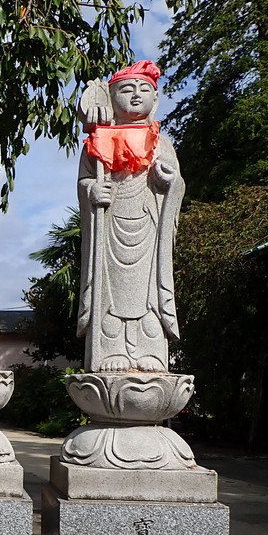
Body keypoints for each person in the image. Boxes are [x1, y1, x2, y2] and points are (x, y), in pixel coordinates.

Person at [77, 60, 184, 373]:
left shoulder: (161, 144)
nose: (136, 96)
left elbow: (176, 184)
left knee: (148, 290)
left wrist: (169, 183)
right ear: (111, 98)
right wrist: (91, 192)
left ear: (155, 99)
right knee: (109, 288)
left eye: (144, 90)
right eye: (126, 89)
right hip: (110, 226)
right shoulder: (96, 144)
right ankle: (112, 349)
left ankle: (149, 350)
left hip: (148, 226)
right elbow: (85, 183)